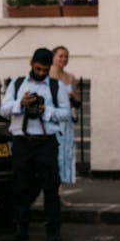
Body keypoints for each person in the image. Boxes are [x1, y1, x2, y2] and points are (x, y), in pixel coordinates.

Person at [0, 47, 72, 241]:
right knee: (21, 187)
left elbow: (66, 114)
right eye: (38, 69)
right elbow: (3, 110)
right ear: (31, 63)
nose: (41, 73)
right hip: (22, 141)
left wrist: (45, 110)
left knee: (50, 187)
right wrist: (20, 104)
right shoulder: (17, 84)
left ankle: (53, 231)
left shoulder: (57, 87)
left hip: (46, 142)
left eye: (45, 70)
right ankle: (20, 229)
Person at [49, 46, 80, 185]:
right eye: (60, 56)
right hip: (53, 121)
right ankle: (53, 191)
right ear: (53, 57)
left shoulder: (70, 77)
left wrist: (72, 97)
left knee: (65, 155)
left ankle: (59, 192)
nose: (64, 59)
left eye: (66, 56)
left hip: (66, 123)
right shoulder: (48, 75)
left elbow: (78, 101)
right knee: (54, 156)